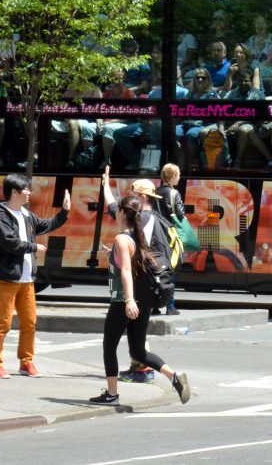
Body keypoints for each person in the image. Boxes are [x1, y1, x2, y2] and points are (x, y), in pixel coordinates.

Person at [89, 193, 190, 406]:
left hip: (124, 302)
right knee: (138, 351)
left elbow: (126, 270)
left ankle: (112, 393)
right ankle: (174, 376)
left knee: (109, 346)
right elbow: (129, 265)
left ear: (124, 213)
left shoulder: (122, 238)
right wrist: (113, 257)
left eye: (117, 209)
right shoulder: (138, 237)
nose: (114, 212)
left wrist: (128, 301)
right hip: (143, 302)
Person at [0, 173, 70, 379]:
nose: (29, 193)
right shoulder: (0, 215)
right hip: (8, 278)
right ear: (14, 192)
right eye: (26, 190)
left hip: (26, 279)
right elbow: (8, 242)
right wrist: (33, 247)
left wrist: (64, 212)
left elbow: (46, 225)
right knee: (3, 323)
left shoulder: (26, 215)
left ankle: (26, 362)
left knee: (30, 321)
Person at [155, 163, 186, 316]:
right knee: (171, 271)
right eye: (178, 174)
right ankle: (170, 306)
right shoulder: (174, 194)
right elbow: (180, 215)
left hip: (155, 236)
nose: (179, 177)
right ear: (172, 176)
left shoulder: (155, 192)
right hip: (170, 237)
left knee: (155, 270)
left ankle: (154, 305)